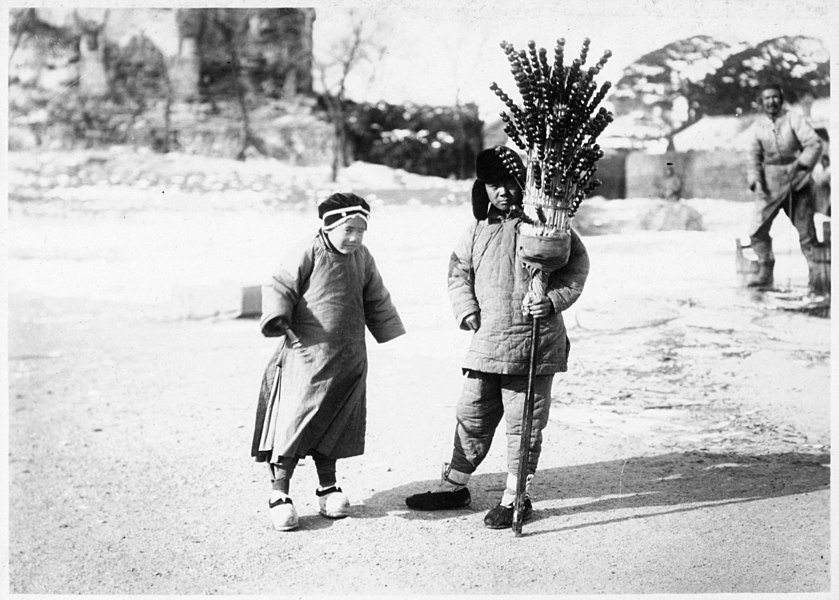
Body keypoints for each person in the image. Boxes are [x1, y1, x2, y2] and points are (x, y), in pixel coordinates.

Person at [404, 146, 590, 529]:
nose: (503, 192)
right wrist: (466, 308)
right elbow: (458, 272)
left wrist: (553, 300)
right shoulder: (476, 229)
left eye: (510, 183)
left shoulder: (546, 225)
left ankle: (514, 495)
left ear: (524, 184)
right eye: (493, 185)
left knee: (524, 423)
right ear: (482, 188)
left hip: (533, 341)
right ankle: (454, 484)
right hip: (488, 340)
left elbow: (576, 268)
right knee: (472, 413)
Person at [251, 192, 405, 531]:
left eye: (361, 231)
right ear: (329, 225)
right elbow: (280, 284)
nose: (354, 238)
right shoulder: (308, 250)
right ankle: (280, 493)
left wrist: (388, 330)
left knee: (335, 423)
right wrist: (278, 318)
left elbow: (376, 296)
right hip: (307, 354)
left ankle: (327, 486)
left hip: (348, 357)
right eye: (348, 230)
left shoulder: (362, 257)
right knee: (294, 421)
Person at [745, 83, 823, 290]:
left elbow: (814, 143)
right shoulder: (757, 127)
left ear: (781, 99)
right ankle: (765, 271)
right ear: (761, 102)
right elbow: (753, 157)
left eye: (775, 97)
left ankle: (816, 276)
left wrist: (800, 164)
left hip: (798, 182)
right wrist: (757, 181)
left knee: (806, 233)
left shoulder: (793, 119)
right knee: (756, 231)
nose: (771, 101)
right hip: (770, 185)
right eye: (767, 98)